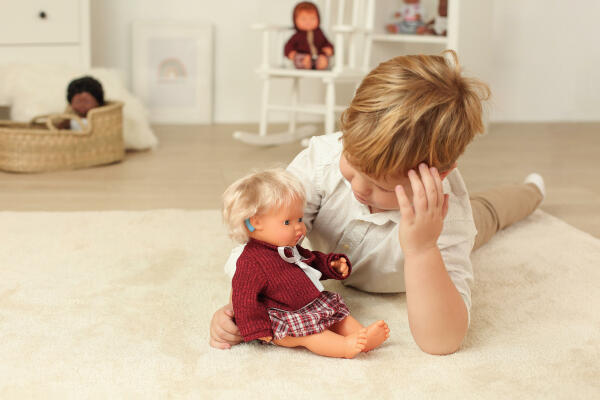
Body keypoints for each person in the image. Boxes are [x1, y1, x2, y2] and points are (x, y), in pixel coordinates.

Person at [210, 51, 545, 355]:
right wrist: (239, 307)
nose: (358, 187)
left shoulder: (449, 216)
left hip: (438, 227)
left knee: (489, 212)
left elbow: (441, 341)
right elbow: (262, 247)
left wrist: (422, 248)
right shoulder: (324, 160)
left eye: (380, 185)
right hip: (338, 257)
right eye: (352, 166)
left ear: (440, 176)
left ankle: (532, 191)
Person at [223, 169, 390, 358]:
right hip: (283, 316)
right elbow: (244, 299)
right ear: (255, 223)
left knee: (339, 316)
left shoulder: (287, 248)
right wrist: (257, 329)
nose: (300, 228)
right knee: (314, 335)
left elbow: (311, 260)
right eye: (288, 222)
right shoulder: (250, 262)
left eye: (300, 219)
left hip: (307, 302)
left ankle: (362, 334)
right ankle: (344, 347)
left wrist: (331, 265)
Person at [284, 1, 334, 70]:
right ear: (295, 21)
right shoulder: (297, 36)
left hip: (318, 56)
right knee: (300, 58)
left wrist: (329, 48)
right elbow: (288, 45)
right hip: (303, 55)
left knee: (323, 59)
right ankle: (305, 64)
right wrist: (290, 52)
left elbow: (326, 42)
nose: (308, 22)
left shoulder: (319, 33)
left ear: (318, 19)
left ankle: (321, 65)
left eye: (312, 18)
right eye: (304, 19)